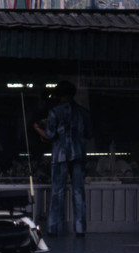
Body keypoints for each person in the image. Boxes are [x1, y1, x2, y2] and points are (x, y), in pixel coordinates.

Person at [33, 80, 93, 238]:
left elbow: (50, 135)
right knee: (79, 192)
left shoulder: (55, 112)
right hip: (78, 154)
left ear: (60, 96)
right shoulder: (83, 112)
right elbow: (89, 134)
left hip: (60, 155)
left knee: (57, 193)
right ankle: (80, 228)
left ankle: (54, 228)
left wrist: (38, 128)